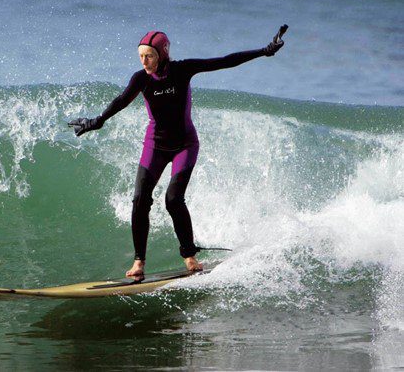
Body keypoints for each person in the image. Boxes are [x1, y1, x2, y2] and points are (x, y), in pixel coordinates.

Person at [69, 26, 287, 279]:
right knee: (140, 199)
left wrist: (264, 51)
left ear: (162, 54)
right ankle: (139, 261)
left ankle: (189, 255)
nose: (144, 61)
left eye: (149, 55)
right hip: (155, 146)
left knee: (173, 199)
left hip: (185, 145)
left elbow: (224, 61)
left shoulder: (182, 70)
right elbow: (121, 100)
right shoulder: (141, 78)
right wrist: (98, 120)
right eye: (141, 56)